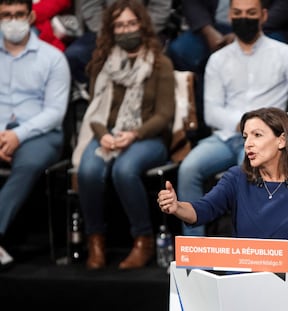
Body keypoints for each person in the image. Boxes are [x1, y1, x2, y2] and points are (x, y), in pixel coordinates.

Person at [177, 0, 288, 236]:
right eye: (238, 13)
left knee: (250, 165)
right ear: (229, 16)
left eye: (250, 13)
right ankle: (193, 255)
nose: (244, 18)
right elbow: (211, 112)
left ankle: (253, 250)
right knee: (189, 168)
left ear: (263, 16)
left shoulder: (286, 54)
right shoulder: (218, 59)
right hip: (226, 136)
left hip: (266, 140)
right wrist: (245, 126)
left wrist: (282, 127)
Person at [158, 107, 288, 286]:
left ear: (281, 140)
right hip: (240, 284)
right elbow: (203, 210)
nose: (248, 144)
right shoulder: (237, 178)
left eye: (257, 135)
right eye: (245, 137)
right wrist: (177, 207)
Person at [71, 0, 175, 270]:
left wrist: (133, 134)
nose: (126, 30)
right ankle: (96, 240)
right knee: (87, 170)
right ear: (111, 30)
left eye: (131, 23)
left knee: (124, 169)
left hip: (148, 138)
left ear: (141, 25)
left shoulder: (160, 63)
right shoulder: (103, 64)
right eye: (119, 25)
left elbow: (164, 116)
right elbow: (94, 111)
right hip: (109, 135)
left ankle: (143, 239)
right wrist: (103, 135)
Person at [0, 0, 70, 269]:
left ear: (30, 16)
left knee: (28, 163)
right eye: (6, 15)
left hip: (40, 133)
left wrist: (18, 136)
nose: (13, 20)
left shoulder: (52, 57)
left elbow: (55, 112)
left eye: (19, 14)